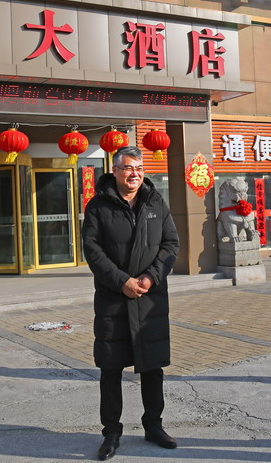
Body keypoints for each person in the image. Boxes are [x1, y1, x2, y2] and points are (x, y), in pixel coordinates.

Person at [81, 145, 180, 461]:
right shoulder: (98, 205)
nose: (134, 174)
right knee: (110, 368)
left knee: (152, 367)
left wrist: (150, 277)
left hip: (150, 299)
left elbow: (170, 244)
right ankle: (111, 432)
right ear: (115, 171)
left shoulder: (155, 201)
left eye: (139, 168)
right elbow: (92, 250)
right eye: (128, 168)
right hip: (113, 299)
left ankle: (154, 426)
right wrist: (121, 281)